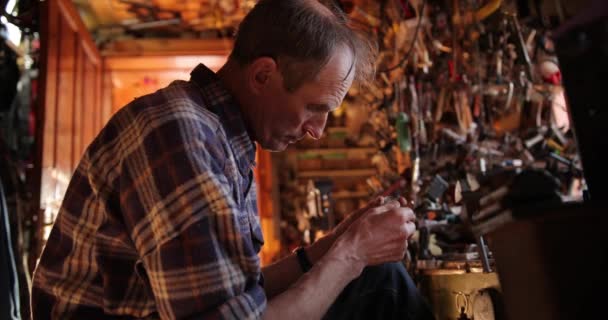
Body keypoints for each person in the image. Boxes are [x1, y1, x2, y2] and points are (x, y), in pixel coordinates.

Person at [31, 0, 435, 319]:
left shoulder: (220, 133)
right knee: (381, 285)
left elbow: (237, 298)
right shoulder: (181, 135)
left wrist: (332, 248)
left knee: (373, 277)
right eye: (314, 107)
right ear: (262, 76)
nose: (318, 130)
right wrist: (352, 254)